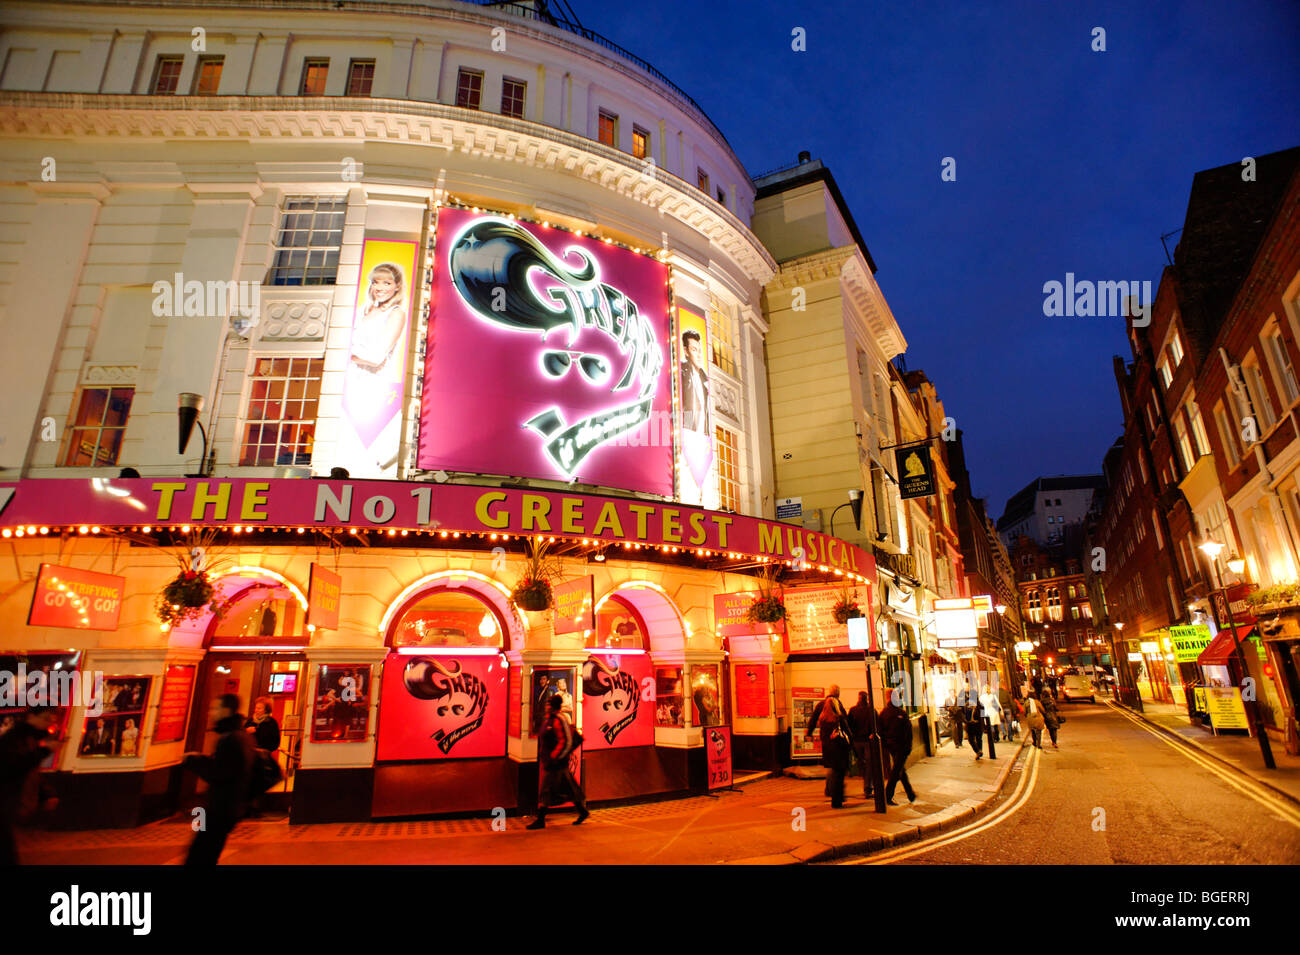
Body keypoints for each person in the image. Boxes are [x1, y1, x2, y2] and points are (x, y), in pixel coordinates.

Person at [183, 694, 256, 865]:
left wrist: (194, 761)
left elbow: (221, 773)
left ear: (226, 710)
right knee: (206, 853)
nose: (210, 713)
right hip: (228, 808)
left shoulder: (230, 738)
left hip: (220, 807)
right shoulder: (242, 736)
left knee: (199, 855)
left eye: (215, 708)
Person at [0, 706, 59, 865]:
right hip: (6, 800)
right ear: (31, 716)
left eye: (51, 720)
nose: (49, 723)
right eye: (46, 718)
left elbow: (30, 772)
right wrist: (44, 751)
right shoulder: (16, 739)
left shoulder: (29, 739)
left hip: (10, 802)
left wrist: (46, 793)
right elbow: (15, 766)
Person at [528, 695, 588, 829]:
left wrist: (555, 756)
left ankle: (540, 820)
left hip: (556, 763)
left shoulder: (558, 720)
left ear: (553, 706)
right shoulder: (550, 720)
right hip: (554, 762)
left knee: (546, 789)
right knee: (569, 787)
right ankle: (583, 811)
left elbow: (566, 741)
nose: (546, 706)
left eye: (548, 704)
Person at [809, 685, 852, 808]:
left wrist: (809, 733)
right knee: (838, 772)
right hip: (839, 746)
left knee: (833, 770)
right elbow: (846, 727)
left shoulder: (821, 708)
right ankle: (836, 798)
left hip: (827, 744)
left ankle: (831, 791)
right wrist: (852, 744)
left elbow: (813, 720)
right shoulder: (838, 710)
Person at [878, 697, 916, 805]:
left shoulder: (884, 713)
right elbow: (908, 732)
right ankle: (887, 795)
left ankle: (910, 794)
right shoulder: (901, 713)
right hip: (901, 746)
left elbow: (880, 730)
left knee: (899, 769)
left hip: (891, 746)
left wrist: (886, 744)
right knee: (896, 771)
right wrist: (908, 746)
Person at [847, 691, 879, 799]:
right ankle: (867, 787)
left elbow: (849, 725)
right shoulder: (871, 711)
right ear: (867, 699)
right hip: (867, 741)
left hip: (857, 741)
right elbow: (876, 725)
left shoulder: (853, 710)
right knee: (870, 764)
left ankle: (866, 782)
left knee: (862, 763)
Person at [679, 329, 710, 433]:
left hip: (703, 440)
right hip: (688, 436)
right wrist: (687, 431)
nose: (699, 355)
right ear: (686, 351)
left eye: (700, 350)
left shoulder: (705, 379)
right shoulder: (681, 372)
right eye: (694, 350)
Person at [966, 692, 985, 760]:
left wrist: (983, 726)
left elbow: (982, 717)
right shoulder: (967, 706)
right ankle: (978, 751)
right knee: (971, 739)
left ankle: (979, 752)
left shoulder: (981, 706)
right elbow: (965, 714)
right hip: (970, 725)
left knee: (979, 739)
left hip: (978, 725)